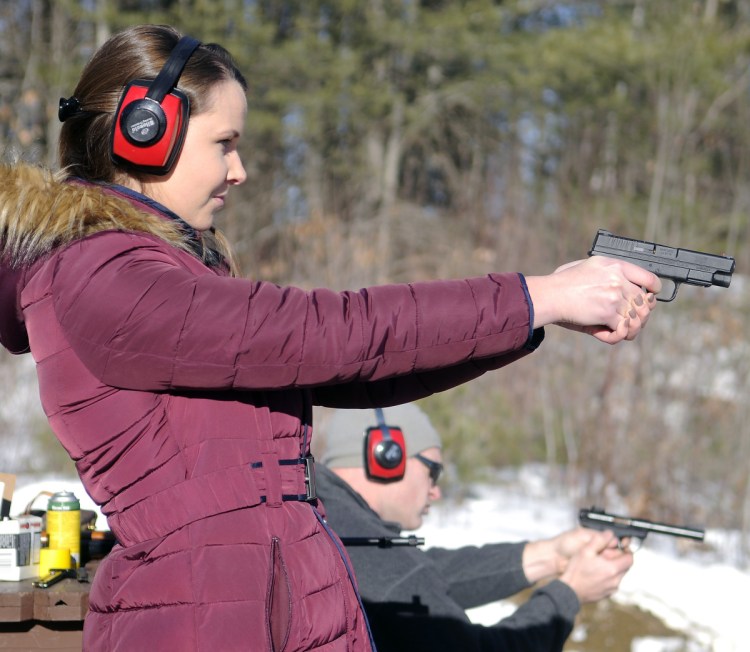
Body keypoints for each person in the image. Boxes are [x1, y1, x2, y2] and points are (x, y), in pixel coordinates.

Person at [0, 23, 658, 652]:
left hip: (253, 610)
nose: (240, 171)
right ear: (147, 134)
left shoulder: (144, 274)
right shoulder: (101, 272)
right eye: (225, 143)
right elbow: (331, 332)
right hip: (205, 622)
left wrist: (535, 313)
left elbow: (355, 367)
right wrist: (535, 293)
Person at [314, 404, 634, 652]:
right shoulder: (371, 555)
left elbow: (427, 575)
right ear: (387, 455)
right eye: (433, 472)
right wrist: (569, 592)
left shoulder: (327, 517)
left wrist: (549, 556)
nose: (435, 491)